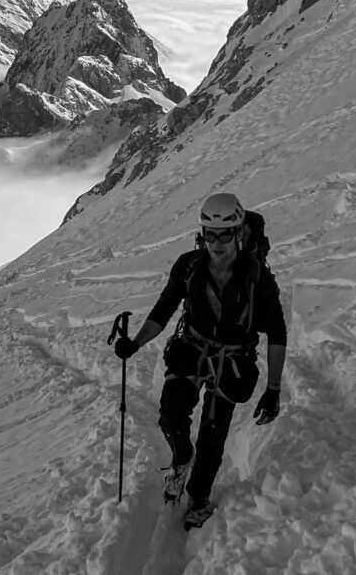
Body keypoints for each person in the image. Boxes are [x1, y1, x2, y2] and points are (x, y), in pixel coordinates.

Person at [113, 193, 287, 528]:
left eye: (224, 234)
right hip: (191, 349)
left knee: (213, 432)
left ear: (239, 234)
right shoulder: (188, 266)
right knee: (171, 415)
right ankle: (181, 458)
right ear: (201, 234)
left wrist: (274, 389)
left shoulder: (259, 280)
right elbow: (164, 310)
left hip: (233, 361)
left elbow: (277, 333)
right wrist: (134, 343)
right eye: (210, 234)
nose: (217, 243)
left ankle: (199, 497)